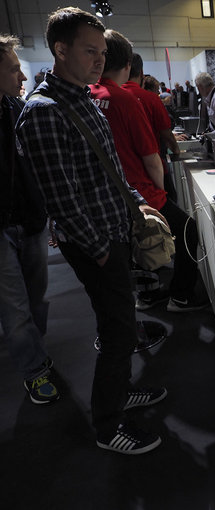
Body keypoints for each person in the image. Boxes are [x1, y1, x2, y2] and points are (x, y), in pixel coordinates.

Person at [15, 7, 167, 454]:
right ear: (60, 50)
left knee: (120, 323)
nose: (99, 59)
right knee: (119, 330)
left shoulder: (81, 97)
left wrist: (136, 205)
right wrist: (101, 249)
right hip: (96, 242)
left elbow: (108, 171)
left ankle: (119, 393)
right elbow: (61, 198)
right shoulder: (43, 112)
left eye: (102, 52)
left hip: (113, 230)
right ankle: (108, 424)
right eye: (89, 51)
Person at [91, 29, 204, 313]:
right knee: (188, 228)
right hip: (139, 191)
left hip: (106, 195)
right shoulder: (125, 99)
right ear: (128, 64)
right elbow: (152, 158)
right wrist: (161, 194)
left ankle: (150, 293)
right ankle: (181, 296)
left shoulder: (89, 95)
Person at [0, 33, 59, 405]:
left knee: (35, 299)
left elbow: (38, 168)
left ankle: (34, 354)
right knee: (15, 307)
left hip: (32, 220)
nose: (23, 78)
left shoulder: (16, 110)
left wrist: (48, 213)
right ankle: (35, 370)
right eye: (13, 70)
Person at [122, 53, 181, 201]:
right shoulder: (150, 99)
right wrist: (176, 151)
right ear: (141, 73)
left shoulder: (112, 97)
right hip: (153, 170)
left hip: (125, 175)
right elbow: (166, 135)